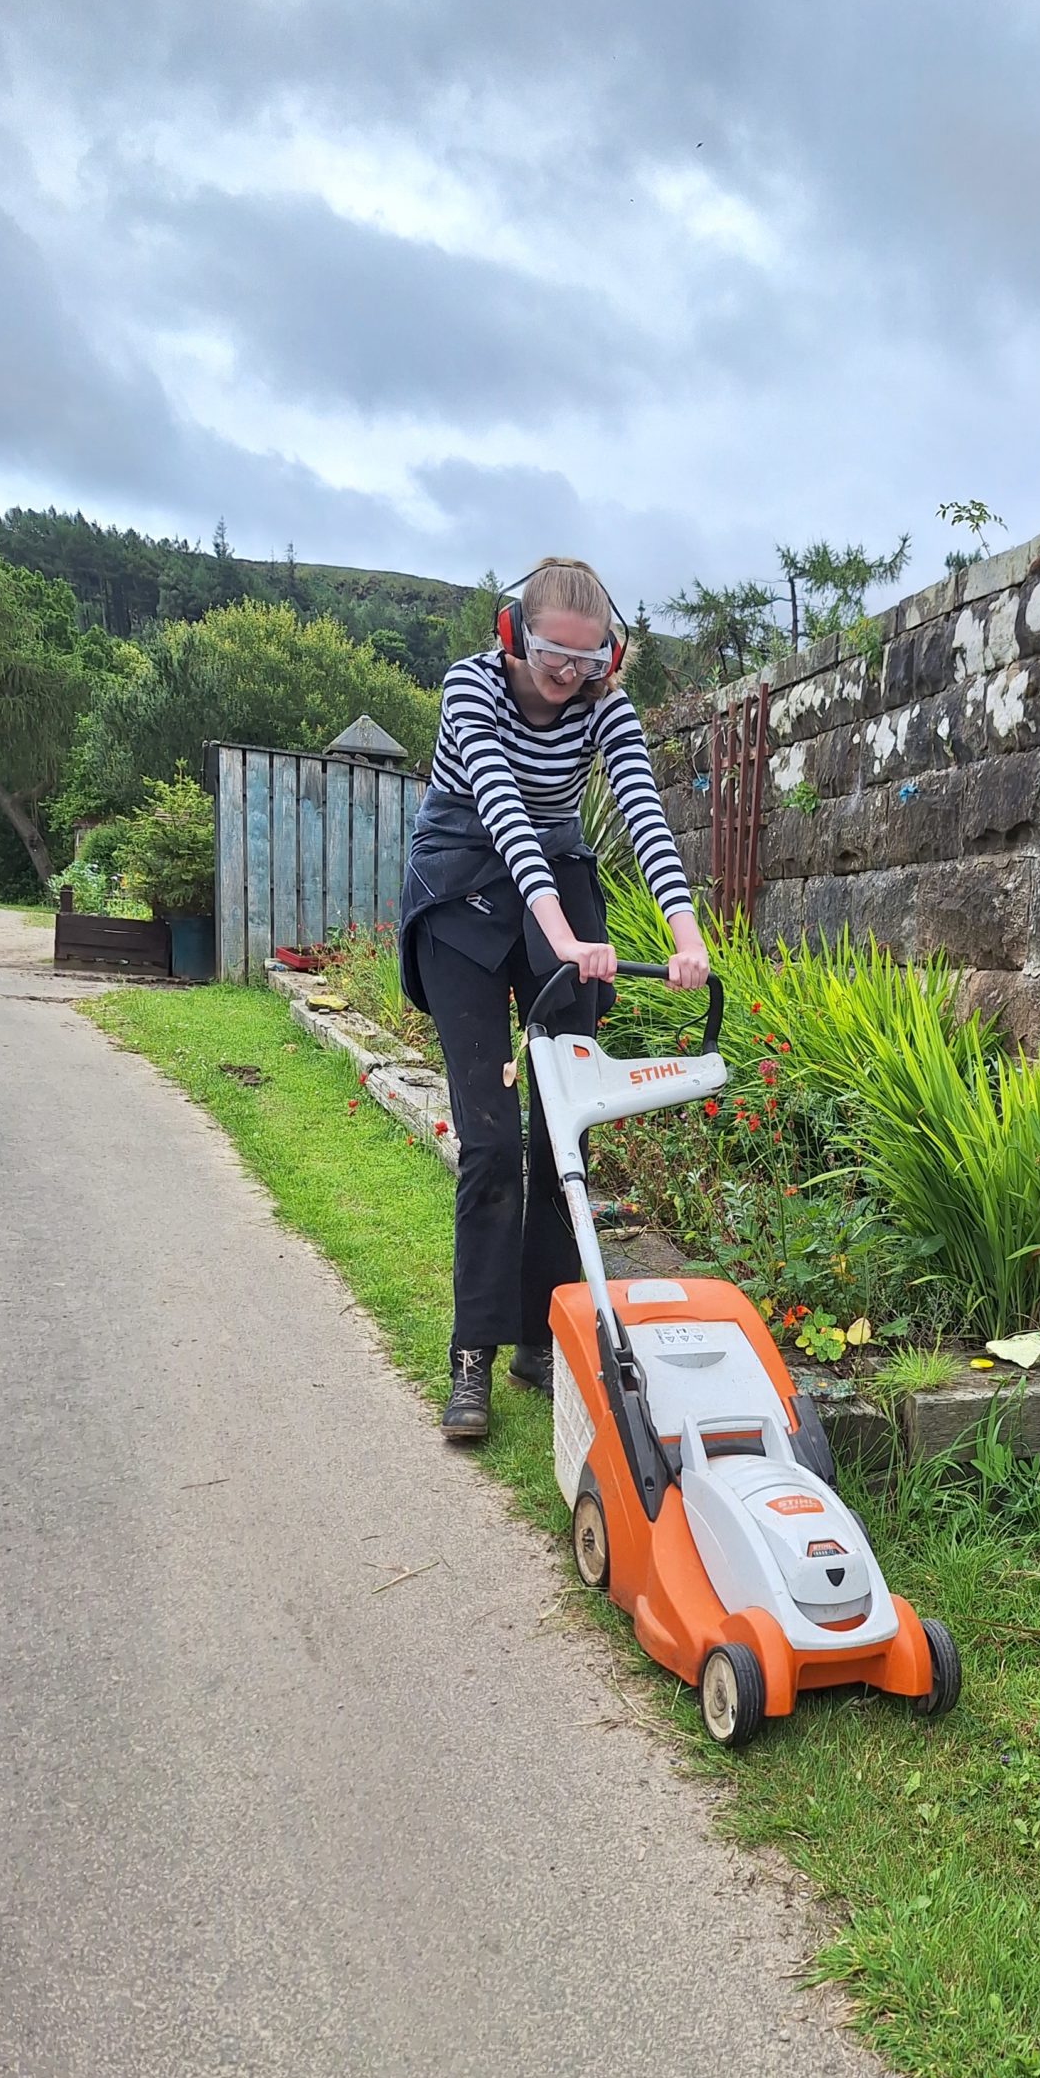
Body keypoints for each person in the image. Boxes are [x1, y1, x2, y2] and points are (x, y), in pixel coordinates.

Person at [398, 556, 709, 1438]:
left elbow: (643, 814)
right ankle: (473, 1356)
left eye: (589, 660)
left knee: (565, 1124)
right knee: (492, 1142)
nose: (569, 677)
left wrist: (687, 939)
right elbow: (502, 809)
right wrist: (563, 939)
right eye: (551, 659)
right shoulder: (471, 689)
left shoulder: (605, 705)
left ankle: (544, 1333)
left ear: (610, 654)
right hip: (461, 892)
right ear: (514, 638)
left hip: (559, 882)